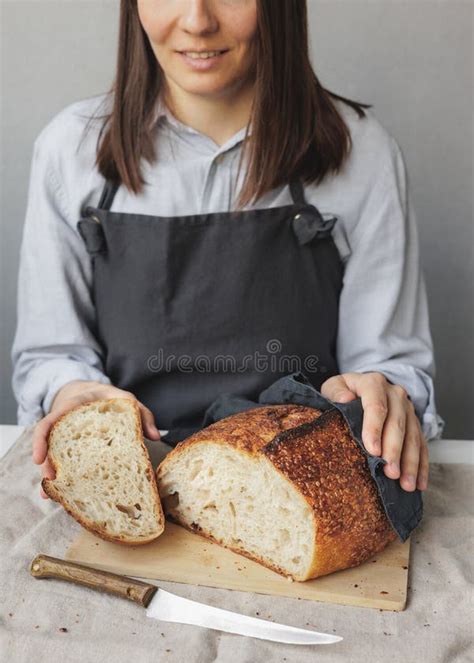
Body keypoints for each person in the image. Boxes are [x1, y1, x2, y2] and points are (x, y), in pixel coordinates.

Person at [11, 0, 444, 502]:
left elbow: (391, 365)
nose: (197, 21)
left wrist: (382, 393)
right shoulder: (70, 150)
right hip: (136, 480)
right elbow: (51, 354)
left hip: (301, 484)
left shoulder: (363, 153)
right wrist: (72, 393)